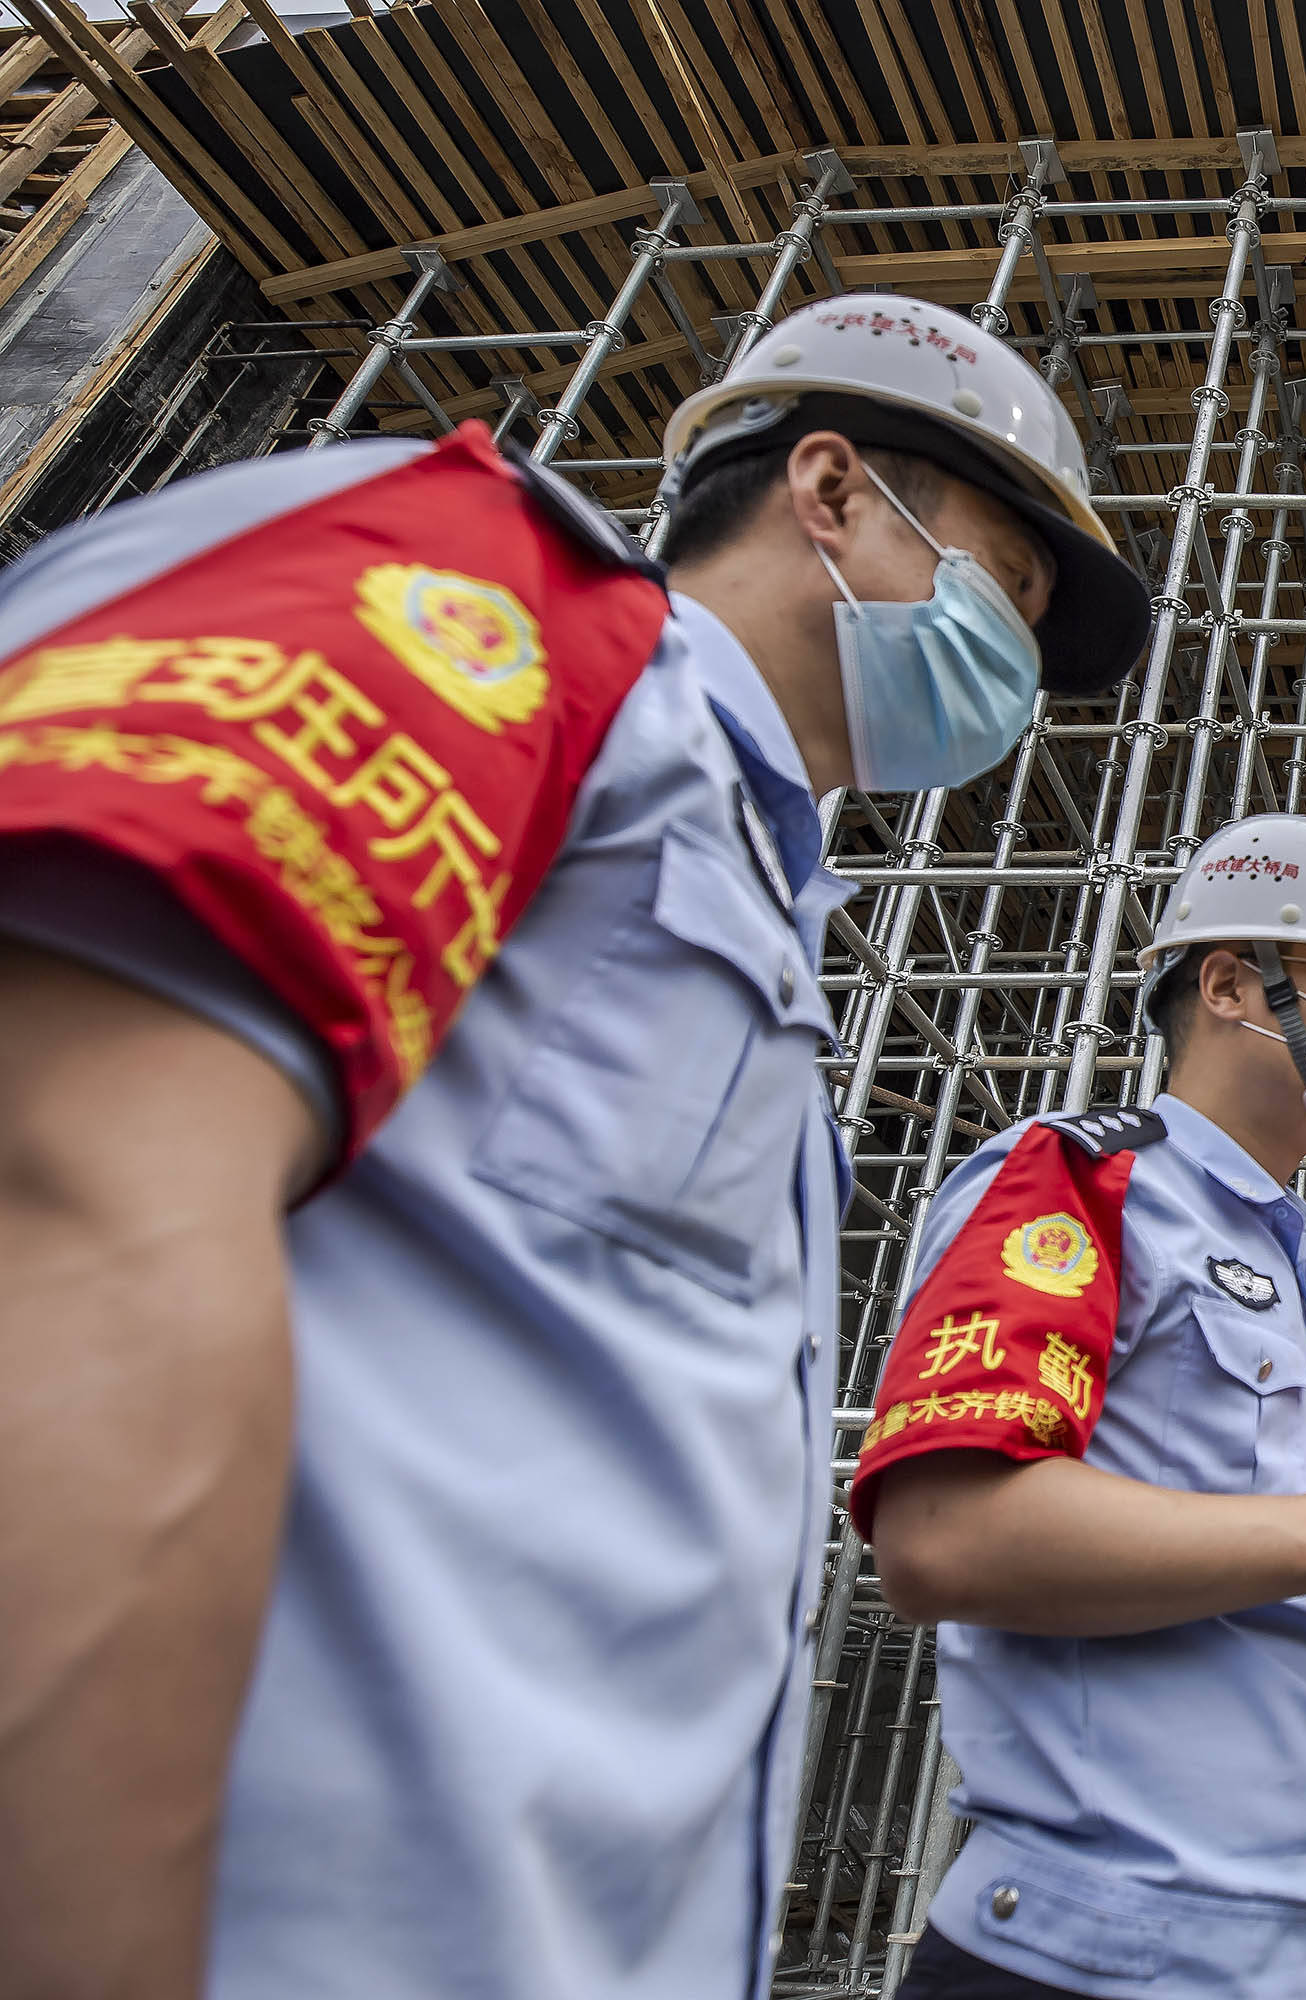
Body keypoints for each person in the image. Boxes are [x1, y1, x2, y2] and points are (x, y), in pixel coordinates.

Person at [0, 290, 1149, 2000]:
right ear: (828, 490)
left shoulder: (759, 908)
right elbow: (70, 1200)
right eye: (1003, 584)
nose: (1008, 664)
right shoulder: (497, 606)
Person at [851, 813, 1306, 2000]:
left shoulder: (1279, 1265)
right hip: (1108, 1960)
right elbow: (943, 1533)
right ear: (1228, 982)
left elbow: (1251, 1578)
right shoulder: (1084, 1181)